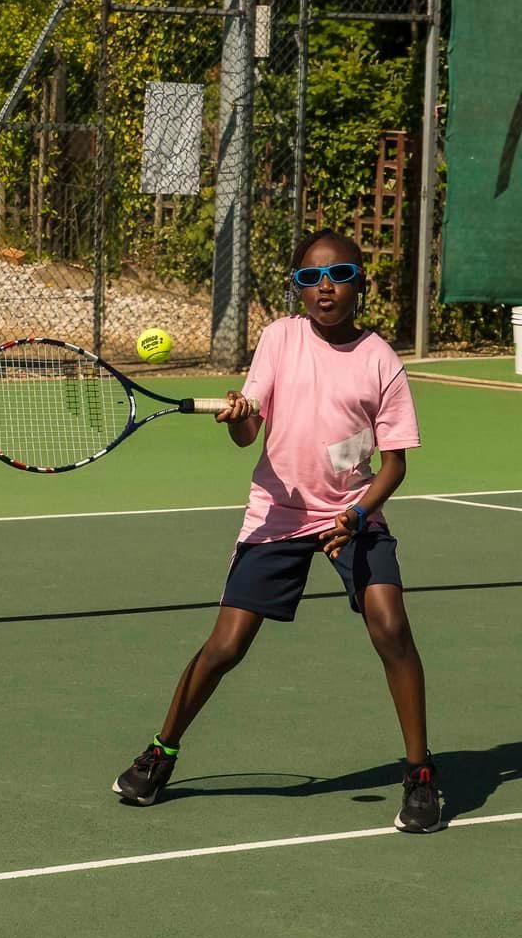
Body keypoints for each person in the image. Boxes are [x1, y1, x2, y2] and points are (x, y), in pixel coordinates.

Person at [112, 228, 441, 834]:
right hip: (278, 514)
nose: (325, 288)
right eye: (310, 278)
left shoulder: (381, 360)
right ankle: (161, 751)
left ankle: (420, 774)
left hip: (352, 511)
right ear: (297, 289)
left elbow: (394, 464)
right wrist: (239, 415)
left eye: (339, 275)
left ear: (360, 284)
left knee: (392, 627)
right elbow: (248, 431)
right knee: (225, 647)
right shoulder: (279, 339)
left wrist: (358, 515)